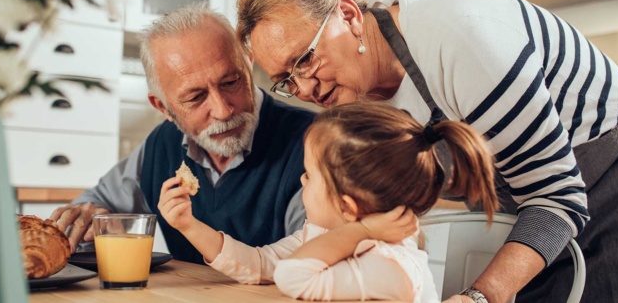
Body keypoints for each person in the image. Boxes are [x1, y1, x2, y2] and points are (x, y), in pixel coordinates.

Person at [235, 0, 618, 302]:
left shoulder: (461, 42)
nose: (305, 86)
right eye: (286, 80)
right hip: (531, 213)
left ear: (349, 15)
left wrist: (481, 295)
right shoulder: (347, 95)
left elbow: (557, 198)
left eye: (305, 58)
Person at [48, 2, 316, 264]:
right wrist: (91, 218)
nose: (223, 110)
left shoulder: (314, 142)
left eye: (231, 82)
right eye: (196, 97)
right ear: (163, 107)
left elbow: (306, 264)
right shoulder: (162, 144)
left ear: (248, 64)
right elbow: (95, 205)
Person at [158, 101, 498, 302]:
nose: (301, 181)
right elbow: (261, 265)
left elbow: (293, 276)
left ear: (348, 207)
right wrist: (188, 225)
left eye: (309, 175)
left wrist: (358, 232)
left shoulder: (392, 265)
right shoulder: (323, 234)